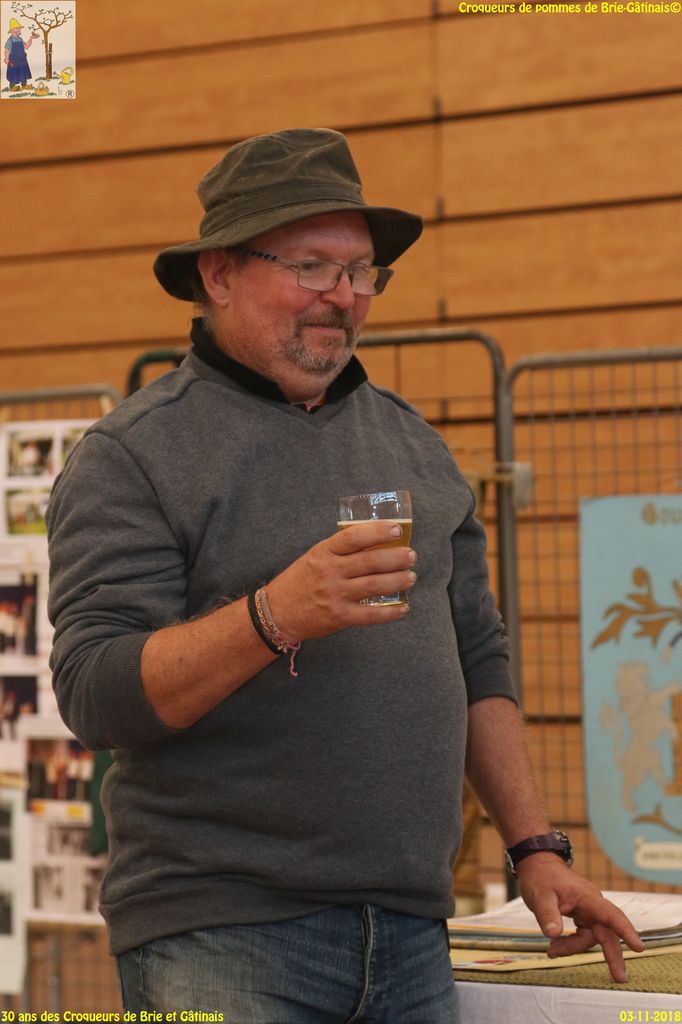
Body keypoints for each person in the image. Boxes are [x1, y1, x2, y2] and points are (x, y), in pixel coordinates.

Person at [46, 128, 644, 1022]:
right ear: (219, 274)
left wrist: (535, 849)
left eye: (361, 272)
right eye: (311, 267)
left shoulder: (415, 444)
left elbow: (477, 658)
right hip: (222, 933)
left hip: (413, 933)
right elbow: (96, 694)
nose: (343, 295)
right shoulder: (133, 454)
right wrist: (274, 616)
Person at [3, 18, 35, 93]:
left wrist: (31, 39)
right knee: (14, 74)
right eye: (17, 28)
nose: (19, 30)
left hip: (22, 60)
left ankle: (24, 85)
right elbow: (6, 50)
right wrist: (7, 59)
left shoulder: (20, 39)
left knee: (23, 72)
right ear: (12, 30)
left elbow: (26, 46)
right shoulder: (10, 40)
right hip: (14, 61)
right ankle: (12, 87)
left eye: (19, 28)